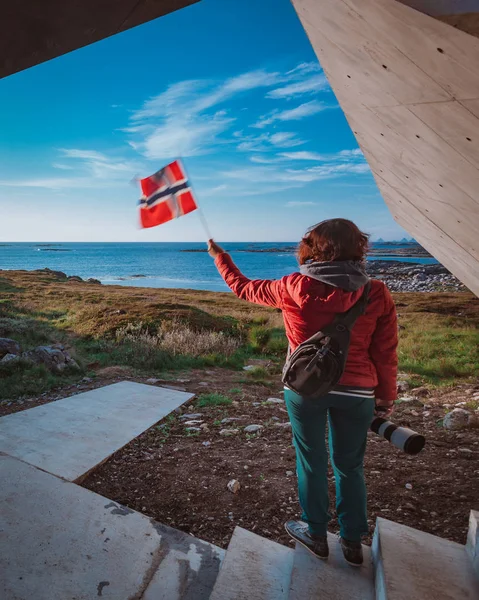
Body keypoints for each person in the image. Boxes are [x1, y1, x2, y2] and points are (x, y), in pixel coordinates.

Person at [207, 218, 398, 567]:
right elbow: (385, 352)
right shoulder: (377, 292)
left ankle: (315, 534)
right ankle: (353, 543)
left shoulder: (291, 286)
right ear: (359, 248)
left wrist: (221, 257)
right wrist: (386, 396)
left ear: (311, 247)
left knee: (311, 461)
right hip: (359, 392)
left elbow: (243, 288)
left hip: (304, 387)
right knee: (350, 466)